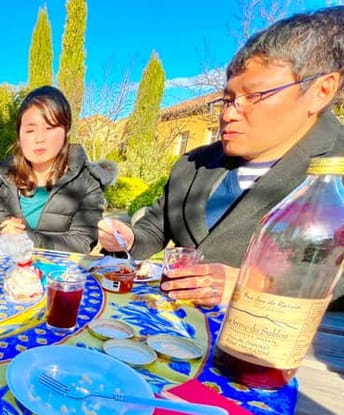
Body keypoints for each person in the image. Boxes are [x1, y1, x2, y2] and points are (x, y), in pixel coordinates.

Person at [99, 7, 344, 309]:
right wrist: (128, 239)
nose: (229, 114)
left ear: (321, 90)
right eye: (228, 100)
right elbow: (154, 229)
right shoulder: (193, 165)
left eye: (254, 96)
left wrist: (254, 286)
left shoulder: (336, 174)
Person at [0, 85, 117, 254]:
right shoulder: (7, 178)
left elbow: (82, 243)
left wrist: (27, 238)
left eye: (49, 128)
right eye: (30, 130)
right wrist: (5, 234)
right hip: (17, 275)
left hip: (63, 277)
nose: (39, 138)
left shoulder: (87, 181)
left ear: (66, 131)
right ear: (19, 135)